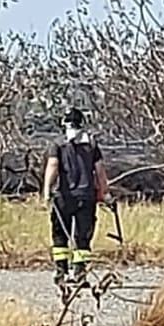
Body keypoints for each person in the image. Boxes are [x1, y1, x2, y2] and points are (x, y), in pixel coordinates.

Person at [42, 108, 109, 285]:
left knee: (60, 235)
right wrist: (104, 193)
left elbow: (53, 166)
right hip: (87, 197)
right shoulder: (92, 144)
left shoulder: (57, 144)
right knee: (83, 236)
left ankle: (61, 272)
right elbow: (100, 172)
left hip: (63, 197)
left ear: (64, 124)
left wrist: (47, 191)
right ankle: (80, 274)